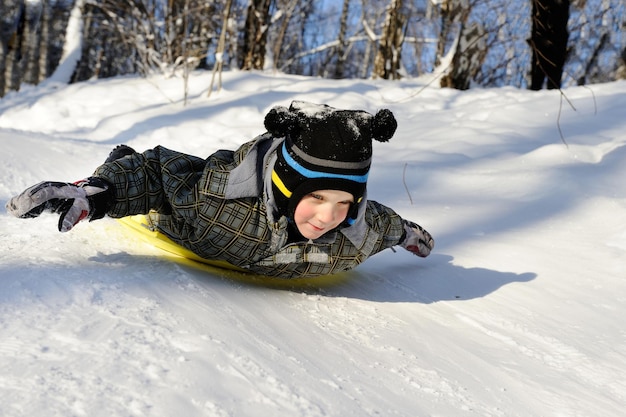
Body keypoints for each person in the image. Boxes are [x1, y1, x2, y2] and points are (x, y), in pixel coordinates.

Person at [6, 101, 434, 278]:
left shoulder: (354, 236)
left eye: (344, 203)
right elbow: (158, 173)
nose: (328, 217)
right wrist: (97, 193)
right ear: (286, 188)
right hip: (176, 222)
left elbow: (384, 223)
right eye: (317, 197)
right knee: (133, 172)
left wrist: (409, 233)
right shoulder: (212, 195)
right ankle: (115, 165)